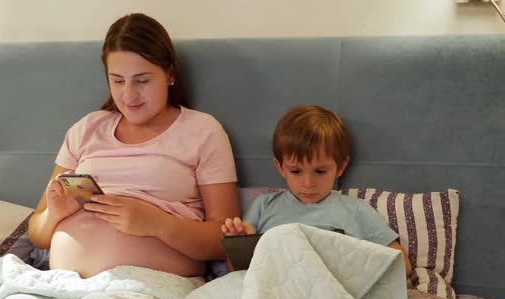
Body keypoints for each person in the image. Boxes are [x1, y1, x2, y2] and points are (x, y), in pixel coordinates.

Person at [28, 13, 240, 279]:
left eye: (142, 80)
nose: (129, 95)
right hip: (65, 285)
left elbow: (227, 239)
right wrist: (54, 215)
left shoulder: (203, 131)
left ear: (170, 73)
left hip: (150, 290)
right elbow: (36, 232)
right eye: (117, 80)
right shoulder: (86, 129)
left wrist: (159, 224)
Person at [222, 105, 411, 276]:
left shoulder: (356, 209)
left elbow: (401, 265)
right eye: (295, 171)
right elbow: (234, 274)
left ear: (340, 167)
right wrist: (238, 245)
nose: (308, 183)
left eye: (320, 171)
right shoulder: (263, 206)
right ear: (280, 167)